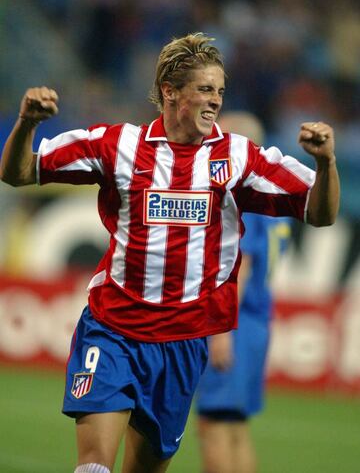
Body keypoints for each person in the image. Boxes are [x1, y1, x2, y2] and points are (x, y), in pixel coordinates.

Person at [0, 33, 339, 473]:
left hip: (183, 342)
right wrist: (27, 123)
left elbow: (320, 213)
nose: (215, 100)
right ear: (170, 91)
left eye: (219, 90)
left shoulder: (238, 157)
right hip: (113, 328)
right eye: (204, 89)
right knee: (93, 467)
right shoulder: (118, 146)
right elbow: (20, 173)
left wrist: (326, 164)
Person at [195, 111, 291, 473]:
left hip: (234, 323)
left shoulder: (245, 196)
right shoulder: (272, 198)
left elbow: (242, 266)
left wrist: (222, 329)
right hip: (255, 322)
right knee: (234, 427)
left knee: (214, 426)